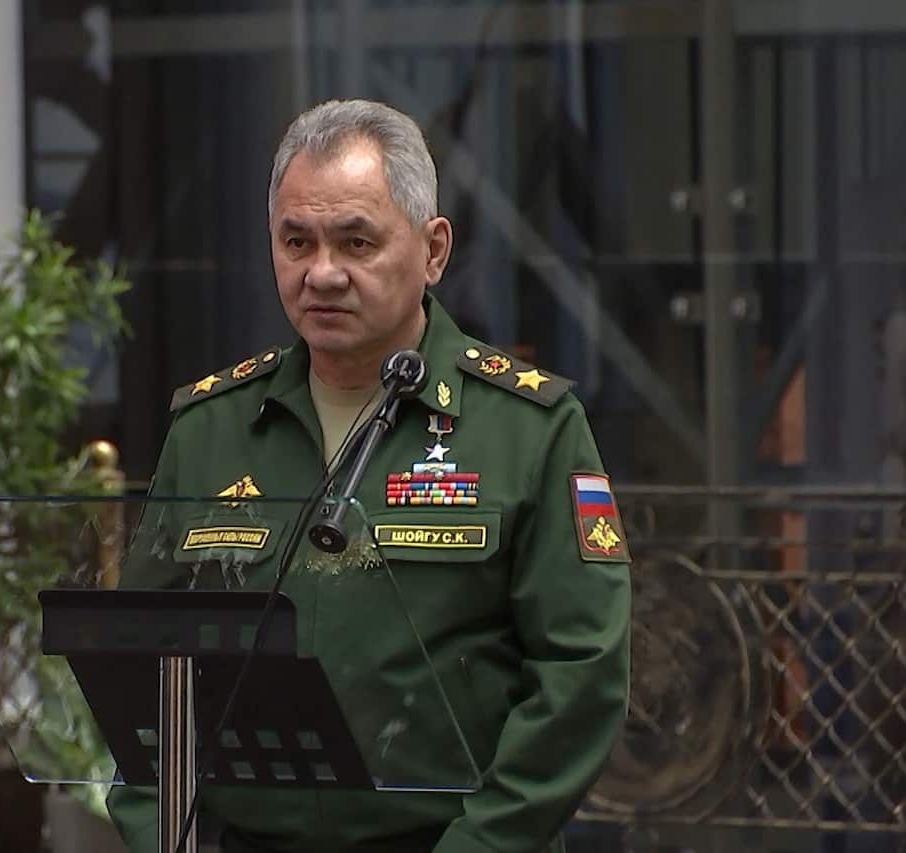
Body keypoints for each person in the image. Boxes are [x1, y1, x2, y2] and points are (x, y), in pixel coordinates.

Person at [107, 99, 631, 853]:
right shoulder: (211, 428)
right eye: (297, 241)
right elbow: (140, 665)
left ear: (434, 249)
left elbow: (580, 673)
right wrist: (168, 836)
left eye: (357, 242)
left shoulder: (528, 429)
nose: (323, 273)